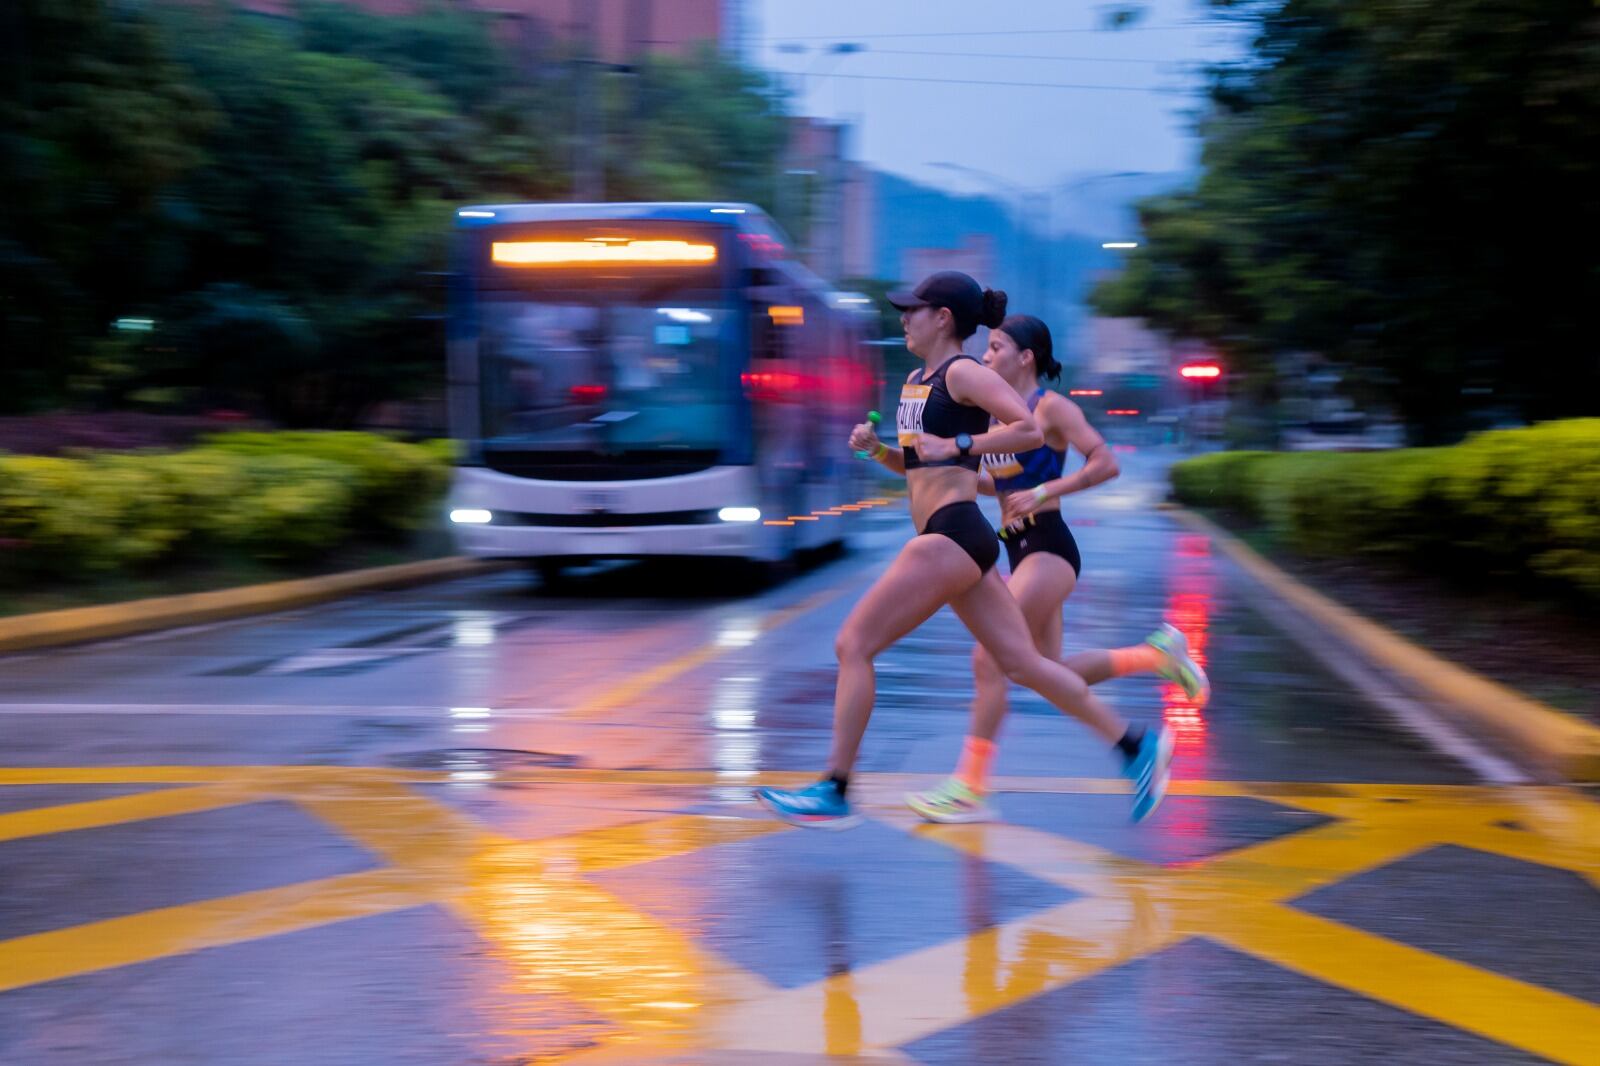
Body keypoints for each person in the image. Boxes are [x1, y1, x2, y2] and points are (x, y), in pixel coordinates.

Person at [754, 272, 1174, 830]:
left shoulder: (965, 373)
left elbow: (1026, 427)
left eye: (913, 310)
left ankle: (836, 787)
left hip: (950, 534)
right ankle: (1134, 746)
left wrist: (960, 443)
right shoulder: (915, 381)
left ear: (943, 318)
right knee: (1022, 663)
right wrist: (877, 450)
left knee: (853, 643)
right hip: (961, 536)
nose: (904, 319)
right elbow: (917, 465)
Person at [904, 314, 1210, 824]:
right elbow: (988, 486)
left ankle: (969, 787)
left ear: (1025, 357)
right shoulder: (993, 415)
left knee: (990, 659)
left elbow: (1105, 462)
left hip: (1049, 547)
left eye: (996, 347)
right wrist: (893, 456)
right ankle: (1155, 656)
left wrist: (1046, 491)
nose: (985, 356)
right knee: (1044, 672)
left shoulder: (1050, 409)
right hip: (1017, 549)